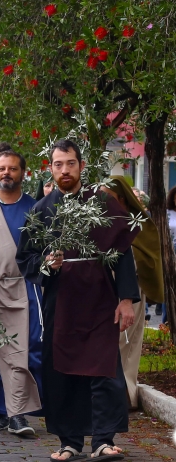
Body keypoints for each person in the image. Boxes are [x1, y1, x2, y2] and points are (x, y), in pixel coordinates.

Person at [18, 140, 139, 462]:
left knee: (104, 369)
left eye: (70, 163)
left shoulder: (102, 203)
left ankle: (103, 440)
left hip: (100, 297)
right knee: (63, 371)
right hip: (62, 300)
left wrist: (126, 299)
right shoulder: (41, 211)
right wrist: (46, 265)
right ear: (51, 168)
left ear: (82, 166)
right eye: (58, 164)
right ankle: (69, 440)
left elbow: (123, 253)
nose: (64, 170)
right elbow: (25, 259)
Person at [0, 151, 43, 437]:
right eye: (2, 168)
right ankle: (1, 411)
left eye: (13, 168)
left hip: (24, 288)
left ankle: (18, 413)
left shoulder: (35, 208)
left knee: (22, 351)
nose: (6, 173)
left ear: (23, 173)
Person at [105, 176, 164, 410]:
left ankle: (124, 395)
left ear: (122, 199)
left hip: (131, 291)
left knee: (126, 342)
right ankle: (107, 395)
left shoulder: (137, 224)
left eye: (109, 198)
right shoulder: (103, 221)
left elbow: (147, 258)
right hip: (105, 290)